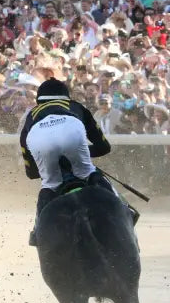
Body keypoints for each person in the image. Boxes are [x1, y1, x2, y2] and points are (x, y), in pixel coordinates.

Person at [21, 78, 137, 246]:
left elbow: (31, 173)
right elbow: (104, 147)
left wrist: (55, 160)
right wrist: (78, 154)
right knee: (88, 172)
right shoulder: (76, 107)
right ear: (66, 97)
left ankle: (37, 232)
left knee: (50, 184)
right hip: (72, 132)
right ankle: (125, 211)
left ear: (38, 100)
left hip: (39, 139)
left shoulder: (30, 116)